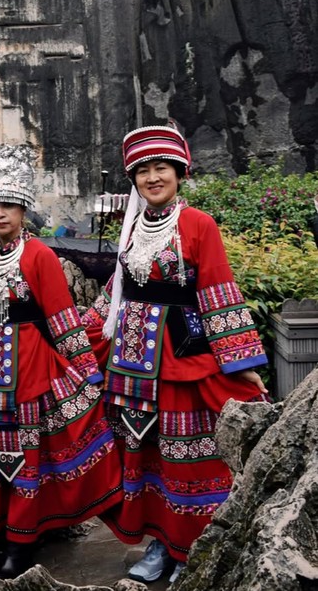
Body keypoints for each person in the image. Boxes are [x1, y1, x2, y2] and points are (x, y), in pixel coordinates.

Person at [0, 144, 123, 579]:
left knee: (21, 460)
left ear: (22, 208)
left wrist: (87, 374)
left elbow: (63, 319)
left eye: (8, 206)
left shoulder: (40, 256)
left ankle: (20, 542)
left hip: (28, 375)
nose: (0, 215)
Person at [82, 125, 269, 585]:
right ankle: (161, 543)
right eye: (142, 170)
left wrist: (242, 365)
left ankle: (192, 545)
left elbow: (219, 292)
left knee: (189, 457)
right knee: (148, 457)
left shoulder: (197, 224)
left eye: (160, 168)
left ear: (180, 173)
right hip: (132, 362)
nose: (152, 178)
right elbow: (117, 293)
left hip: (181, 359)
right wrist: (77, 339)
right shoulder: (131, 229)